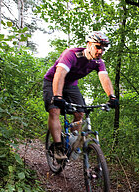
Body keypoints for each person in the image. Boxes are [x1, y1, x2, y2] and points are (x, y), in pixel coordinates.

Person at [43, 31, 119, 161]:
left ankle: (72, 139)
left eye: (103, 48)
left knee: (80, 113)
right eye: (98, 46)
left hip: (71, 85)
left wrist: (112, 96)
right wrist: (57, 96)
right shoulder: (71, 54)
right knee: (54, 110)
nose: (101, 51)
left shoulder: (98, 62)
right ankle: (58, 146)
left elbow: (104, 78)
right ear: (89, 45)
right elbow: (60, 74)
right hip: (52, 81)